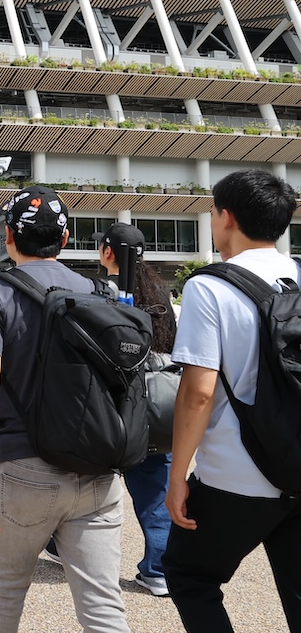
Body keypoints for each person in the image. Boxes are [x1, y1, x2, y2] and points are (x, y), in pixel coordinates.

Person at [0, 185, 131, 632]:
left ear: (8, 236)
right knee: (102, 603)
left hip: (23, 465)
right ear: (67, 237)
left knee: (3, 587)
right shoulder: (100, 292)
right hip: (96, 464)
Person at [164, 169, 301, 631]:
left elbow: (199, 392)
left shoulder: (210, 286)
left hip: (236, 475)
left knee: (189, 575)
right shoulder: (300, 274)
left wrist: (178, 475)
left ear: (227, 217)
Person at [97, 222, 177, 598]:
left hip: (110, 406)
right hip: (157, 406)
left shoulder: (101, 293)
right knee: (155, 490)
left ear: (107, 252)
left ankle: (64, 547)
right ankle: (159, 568)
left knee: (80, 481)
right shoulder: (163, 294)